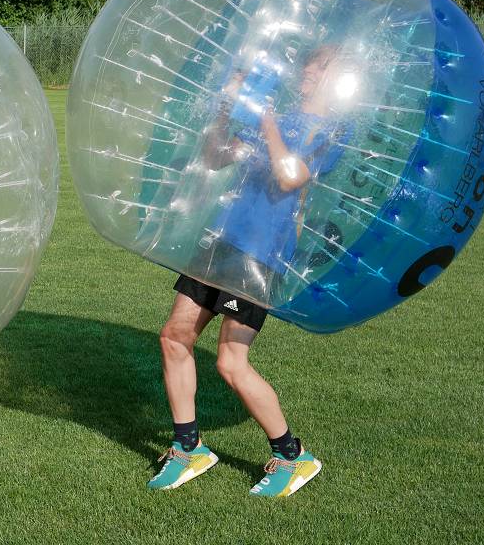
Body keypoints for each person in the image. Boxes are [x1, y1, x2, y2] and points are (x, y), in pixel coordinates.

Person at [149, 45, 349, 497]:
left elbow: (290, 175)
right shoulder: (281, 118)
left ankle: (292, 456)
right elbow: (217, 156)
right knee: (174, 337)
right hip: (221, 241)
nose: (306, 70)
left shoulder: (332, 130)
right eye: (308, 63)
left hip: (260, 256)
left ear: (336, 80)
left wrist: (265, 118)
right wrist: (226, 105)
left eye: (319, 66)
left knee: (230, 361)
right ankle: (188, 448)